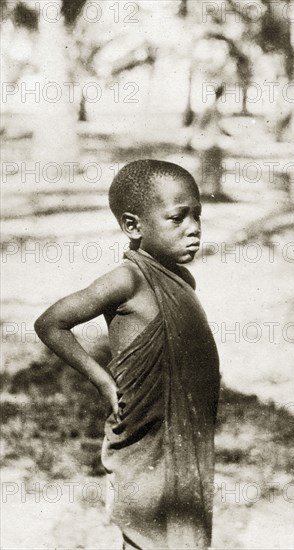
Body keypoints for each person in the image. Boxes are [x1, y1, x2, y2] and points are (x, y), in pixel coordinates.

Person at [35, 159, 220, 549]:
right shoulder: (127, 279)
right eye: (177, 218)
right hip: (145, 432)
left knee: (182, 530)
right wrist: (101, 379)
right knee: (147, 528)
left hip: (184, 431)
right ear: (133, 226)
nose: (194, 228)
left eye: (197, 215)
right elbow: (51, 323)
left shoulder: (181, 277)